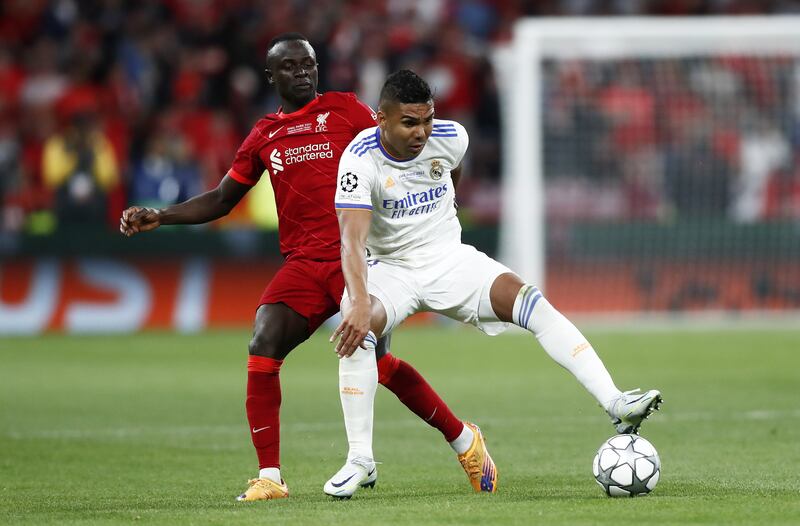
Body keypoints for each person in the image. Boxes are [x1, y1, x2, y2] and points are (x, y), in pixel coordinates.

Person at [119, 34, 481, 502]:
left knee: (378, 363)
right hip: (305, 264)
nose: (303, 72)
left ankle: (463, 440)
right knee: (263, 342)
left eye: (308, 64)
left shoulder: (347, 111)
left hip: (362, 259)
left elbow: (411, 147)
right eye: (290, 67)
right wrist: (161, 215)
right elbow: (223, 199)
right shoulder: (265, 134)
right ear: (272, 76)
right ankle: (270, 476)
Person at [328, 69, 663, 497]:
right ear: (381, 118)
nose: (421, 131)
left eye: (427, 119)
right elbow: (351, 241)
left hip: (450, 260)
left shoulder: (451, 137)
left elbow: (452, 172)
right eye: (409, 123)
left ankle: (615, 402)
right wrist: (357, 301)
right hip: (392, 269)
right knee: (355, 328)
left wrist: (444, 214)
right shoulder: (358, 161)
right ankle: (360, 459)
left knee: (532, 303)